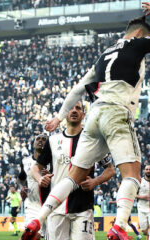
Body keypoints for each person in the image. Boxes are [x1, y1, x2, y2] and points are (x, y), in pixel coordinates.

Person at [21, 2, 150, 240]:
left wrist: (59, 116)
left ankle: (37, 219)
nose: (148, 41)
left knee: (73, 178)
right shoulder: (137, 43)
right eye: (147, 36)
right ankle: (120, 225)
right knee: (132, 174)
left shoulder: (103, 56)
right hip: (116, 112)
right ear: (138, 34)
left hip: (94, 114)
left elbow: (77, 89)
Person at [31, 101, 115, 240]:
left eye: (78, 108)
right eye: (71, 108)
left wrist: (95, 181)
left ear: (83, 114)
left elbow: (110, 170)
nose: (74, 110)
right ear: (65, 114)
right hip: (56, 207)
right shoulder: (53, 140)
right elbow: (36, 167)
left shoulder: (93, 141)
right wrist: (40, 178)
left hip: (83, 207)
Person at [18, 134, 50, 240]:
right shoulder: (25, 162)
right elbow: (21, 179)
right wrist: (22, 188)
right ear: (33, 144)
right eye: (38, 139)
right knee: (31, 235)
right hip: (33, 205)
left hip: (51, 206)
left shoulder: (54, 161)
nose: (40, 141)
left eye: (44, 139)